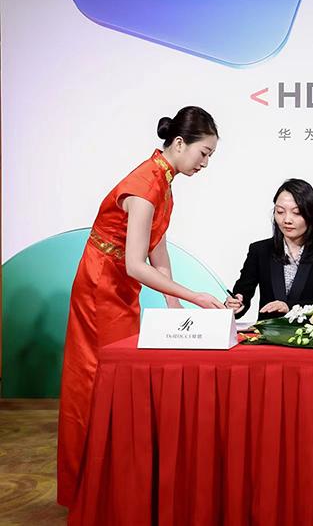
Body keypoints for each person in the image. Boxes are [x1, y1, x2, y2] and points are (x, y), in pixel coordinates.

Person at [57, 106, 225, 507]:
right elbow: (136, 264)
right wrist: (195, 296)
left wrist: (175, 308)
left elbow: (157, 250)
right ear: (180, 143)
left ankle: (116, 480)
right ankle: (91, 487)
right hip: (100, 286)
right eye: (204, 153)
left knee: (120, 381)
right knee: (96, 381)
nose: (205, 163)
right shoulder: (146, 186)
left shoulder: (163, 181)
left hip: (120, 286)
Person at [225, 179, 313, 320]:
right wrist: (235, 303)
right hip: (267, 332)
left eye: (297, 212)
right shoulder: (260, 250)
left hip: (310, 332)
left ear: (311, 214)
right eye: (280, 212)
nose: (287, 220)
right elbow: (242, 293)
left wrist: (290, 307)